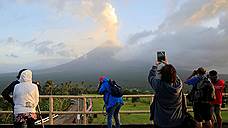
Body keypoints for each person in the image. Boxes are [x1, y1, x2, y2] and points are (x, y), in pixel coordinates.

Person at [148, 60, 184, 128]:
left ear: (162, 74)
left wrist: (155, 66)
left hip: (161, 121)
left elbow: (151, 77)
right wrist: (168, 65)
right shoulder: (179, 85)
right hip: (177, 121)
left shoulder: (158, 85)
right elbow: (175, 76)